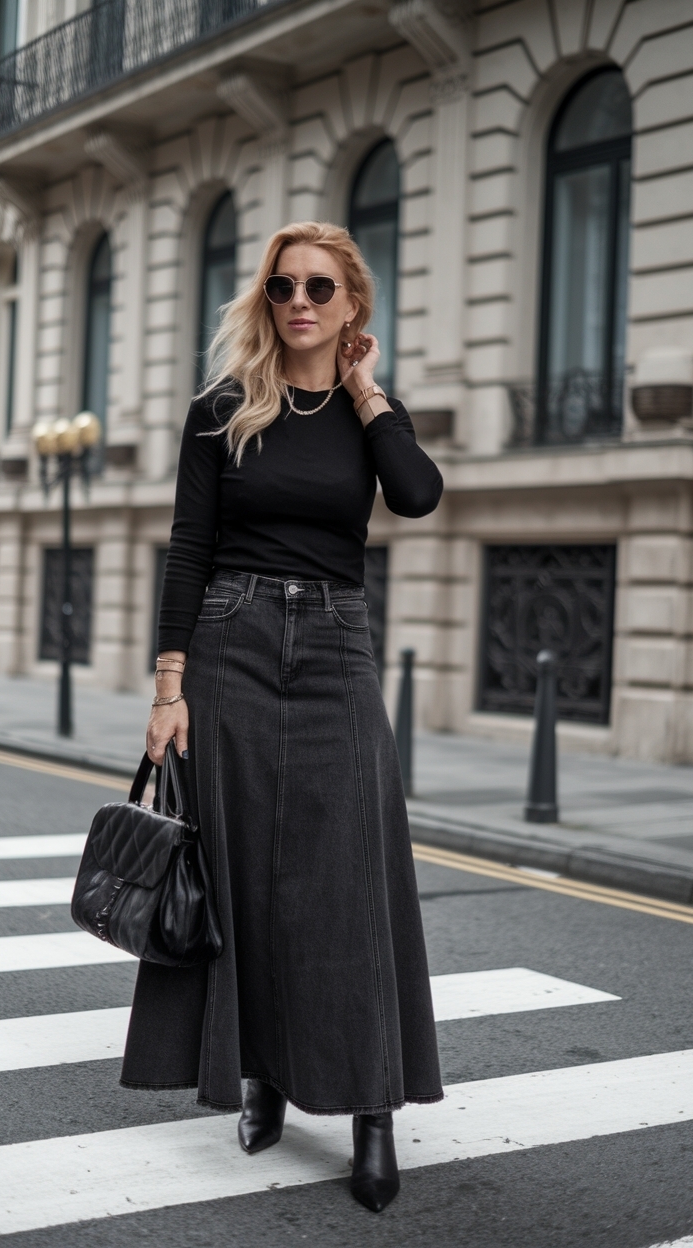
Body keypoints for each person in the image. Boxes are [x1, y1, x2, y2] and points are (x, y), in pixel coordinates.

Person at [121, 220, 444, 1213]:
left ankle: (372, 1110)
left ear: (351, 307)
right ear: (264, 300)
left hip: (337, 648)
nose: (298, 302)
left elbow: (417, 496)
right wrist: (168, 688)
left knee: (350, 879)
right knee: (245, 875)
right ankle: (259, 1076)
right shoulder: (221, 409)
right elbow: (188, 547)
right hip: (233, 639)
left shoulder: (369, 414)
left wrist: (367, 390)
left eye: (318, 288)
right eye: (281, 287)